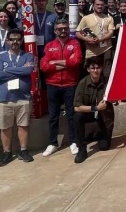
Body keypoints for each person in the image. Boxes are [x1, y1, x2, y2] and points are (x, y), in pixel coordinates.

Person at [40, 19, 83, 157]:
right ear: (55, 31)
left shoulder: (74, 43)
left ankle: (73, 141)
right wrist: (65, 64)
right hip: (52, 85)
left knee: (71, 115)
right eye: (60, 29)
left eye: (65, 28)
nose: (63, 31)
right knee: (53, 116)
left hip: (70, 84)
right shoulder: (49, 46)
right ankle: (52, 143)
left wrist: (55, 62)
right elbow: (44, 66)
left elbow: (77, 61)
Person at [0, 29, 35, 166]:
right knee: (5, 127)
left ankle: (23, 150)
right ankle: (7, 152)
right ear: (7, 41)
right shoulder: (0, 57)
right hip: (4, 98)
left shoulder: (28, 56)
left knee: (23, 125)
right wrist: (20, 70)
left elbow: (28, 70)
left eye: (17, 39)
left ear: (22, 40)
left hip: (23, 97)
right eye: (12, 39)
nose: (15, 42)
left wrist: (7, 70)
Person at [73, 57, 114, 164]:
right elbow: (77, 107)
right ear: (88, 69)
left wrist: (113, 99)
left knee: (104, 147)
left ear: (101, 69)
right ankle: (82, 149)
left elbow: (115, 100)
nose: (95, 70)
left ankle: (97, 135)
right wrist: (96, 108)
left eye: (98, 68)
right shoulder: (83, 83)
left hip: (104, 117)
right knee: (77, 117)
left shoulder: (107, 82)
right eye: (93, 68)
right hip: (90, 113)